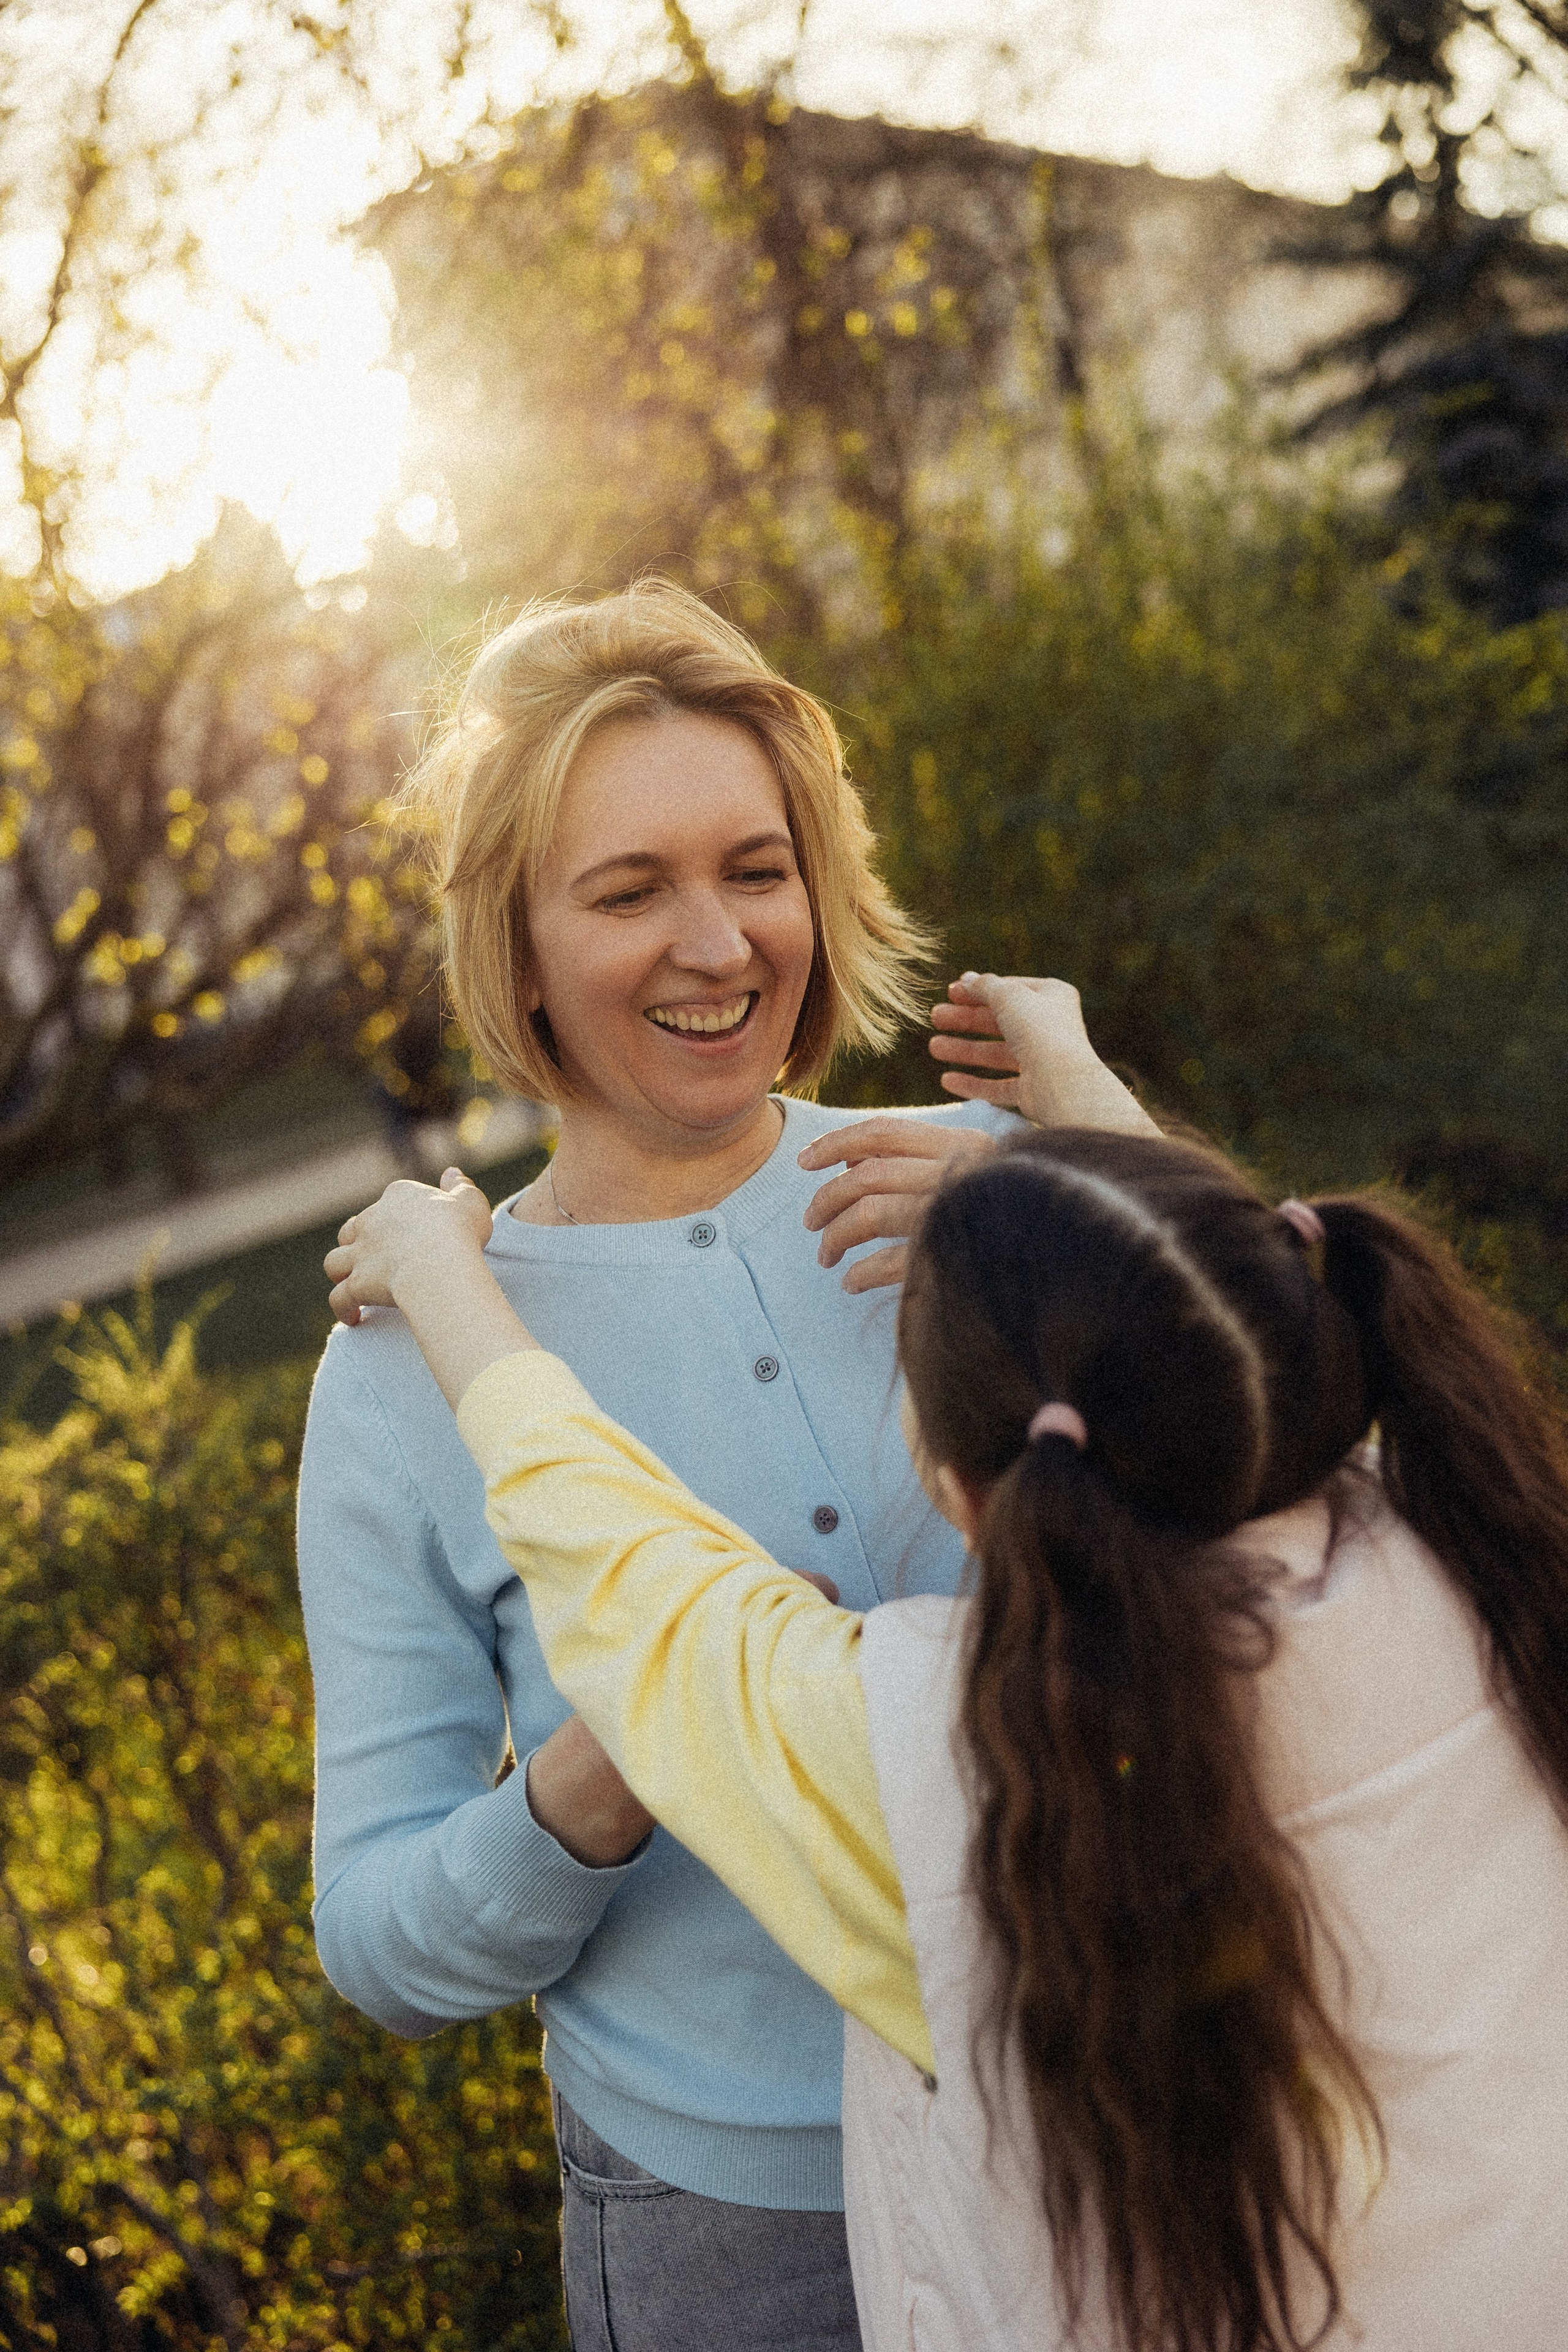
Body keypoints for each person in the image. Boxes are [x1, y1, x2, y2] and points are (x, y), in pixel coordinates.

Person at [325, 1122, 1568, 2352]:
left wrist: (440, 1277)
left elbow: (638, 1585)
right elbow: (1233, 1328)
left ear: (964, 1486)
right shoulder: (1465, 1549)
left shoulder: (938, 1761)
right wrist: (1052, 1167)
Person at [296, 579, 1155, 2352]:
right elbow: (377, 1941)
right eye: (629, 891)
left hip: (1129, 2107)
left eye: (755, 870)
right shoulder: (411, 1361)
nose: (719, 943)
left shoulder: (992, 1172)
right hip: (741, 2235)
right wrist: (598, 1788)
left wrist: (1096, 1199)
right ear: (517, 951)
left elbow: (1302, 1490)